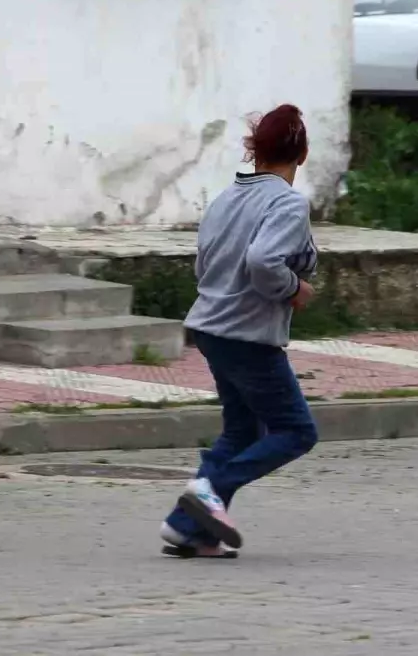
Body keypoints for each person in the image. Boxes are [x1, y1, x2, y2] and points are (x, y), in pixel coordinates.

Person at [160, 104, 320, 559]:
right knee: (296, 431)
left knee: (242, 430)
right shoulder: (287, 202)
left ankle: (188, 528)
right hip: (246, 333)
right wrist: (293, 290)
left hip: (210, 325)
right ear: (302, 155)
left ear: (256, 152)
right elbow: (263, 262)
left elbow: (203, 263)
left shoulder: (226, 198)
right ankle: (211, 493)